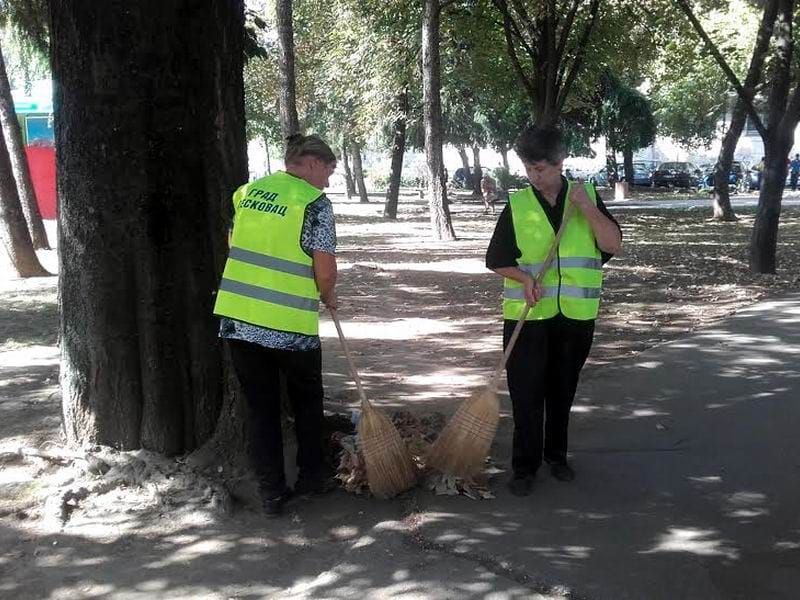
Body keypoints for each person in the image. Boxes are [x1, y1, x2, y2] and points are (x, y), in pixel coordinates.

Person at [485, 125, 622, 497]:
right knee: (526, 394)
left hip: (575, 317)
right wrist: (523, 278)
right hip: (528, 317)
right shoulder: (517, 205)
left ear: (560, 163)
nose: (535, 176)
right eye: (529, 169)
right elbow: (495, 259)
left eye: (541, 168)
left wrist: (586, 209)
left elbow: (612, 244)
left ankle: (557, 457)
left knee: (562, 390)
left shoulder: (587, 195)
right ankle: (524, 467)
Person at [214, 133, 339, 516]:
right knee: (306, 403)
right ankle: (312, 477)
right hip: (291, 327)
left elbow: (235, 245)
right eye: (329, 171)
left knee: (261, 410)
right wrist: (329, 295)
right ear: (314, 164)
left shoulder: (247, 193)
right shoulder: (315, 203)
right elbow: (324, 267)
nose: (329, 181)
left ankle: (271, 492)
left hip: (240, 322)